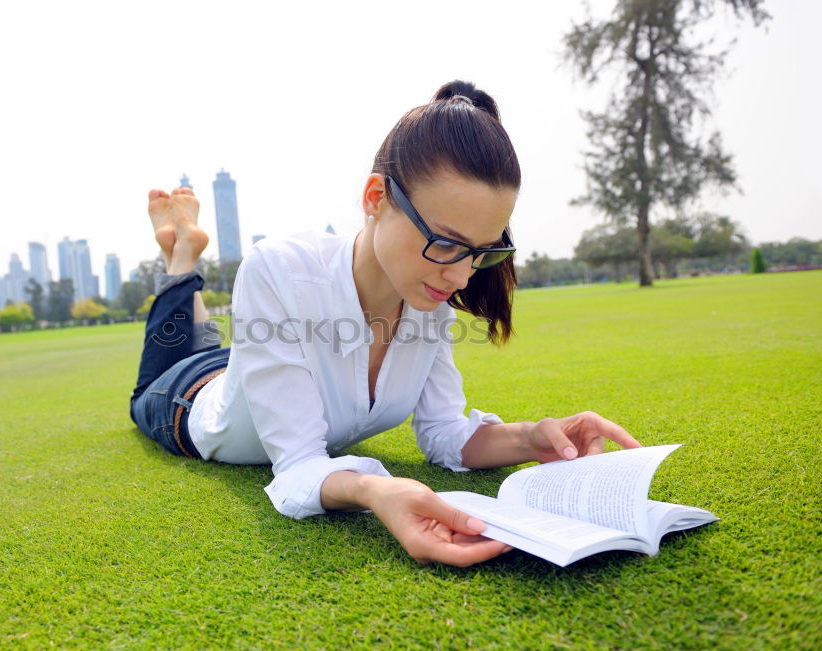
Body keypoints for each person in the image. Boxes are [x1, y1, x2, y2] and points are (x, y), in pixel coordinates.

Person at [130, 80, 642, 567]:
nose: (462, 276)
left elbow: (445, 433)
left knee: (221, 349)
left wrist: (532, 439)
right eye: (445, 242)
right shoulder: (281, 269)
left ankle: (182, 258)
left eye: (481, 253)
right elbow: (299, 466)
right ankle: (180, 258)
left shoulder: (429, 296)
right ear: (375, 198)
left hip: (253, 368)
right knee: (175, 362)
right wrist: (375, 491)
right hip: (187, 402)